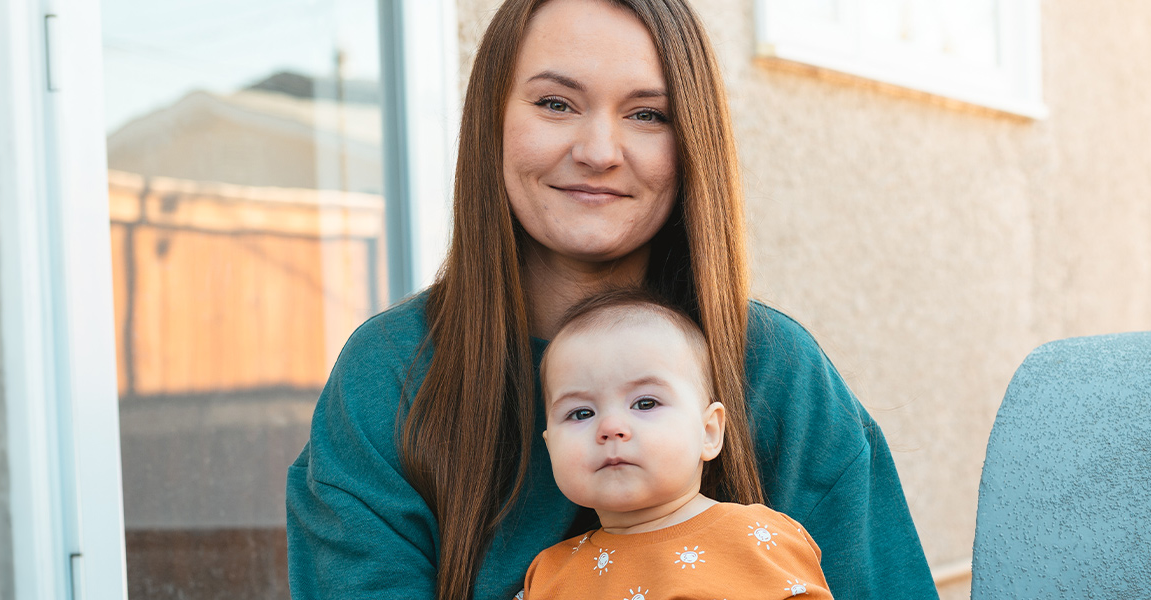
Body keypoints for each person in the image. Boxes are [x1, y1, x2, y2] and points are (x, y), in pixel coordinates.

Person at [285, 0, 938, 598]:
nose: (598, 151)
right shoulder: (389, 374)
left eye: (647, 114)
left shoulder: (777, 370)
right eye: (555, 104)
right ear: (493, 120)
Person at [518, 289, 830, 599]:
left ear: (708, 432)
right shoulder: (549, 575)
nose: (611, 428)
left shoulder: (759, 539)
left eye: (645, 403)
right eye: (581, 413)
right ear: (550, 447)